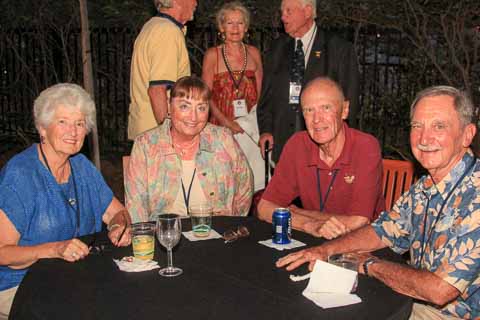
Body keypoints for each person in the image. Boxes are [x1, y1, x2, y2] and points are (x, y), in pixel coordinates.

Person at [277, 86, 480, 319]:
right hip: (416, 301)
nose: (424, 138)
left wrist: (368, 264)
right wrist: (325, 251)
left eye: (439, 126)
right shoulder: (426, 187)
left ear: (467, 134)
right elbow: (381, 230)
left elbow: (438, 291)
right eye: (417, 126)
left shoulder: (475, 197)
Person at [0, 84, 131, 319]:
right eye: (63, 122)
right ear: (42, 127)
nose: (73, 131)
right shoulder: (21, 174)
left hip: (74, 279)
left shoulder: (82, 167)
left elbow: (117, 213)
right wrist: (55, 249)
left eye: (80, 124)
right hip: (22, 287)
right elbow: (2, 252)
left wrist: (118, 226)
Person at [257, 77, 384, 239]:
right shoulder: (297, 145)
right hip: (314, 240)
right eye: (309, 110)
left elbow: (359, 222)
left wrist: (299, 213)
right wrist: (308, 224)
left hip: (362, 244)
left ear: (344, 110)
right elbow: (264, 208)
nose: (317, 119)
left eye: (326, 108)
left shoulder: (365, 147)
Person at [125, 76, 253, 222]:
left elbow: (245, 185)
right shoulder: (146, 145)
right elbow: (136, 206)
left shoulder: (222, 139)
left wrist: (230, 226)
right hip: (164, 236)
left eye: (201, 108)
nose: (193, 117)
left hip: (214, 234)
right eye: (184, 106)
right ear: (169, 106)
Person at [257, 0, 360, 163]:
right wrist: (266, 131)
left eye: (288, 11)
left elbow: (350, 101)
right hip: (283, 146)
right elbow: (267, 98)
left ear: (307, 11)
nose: (283, 17)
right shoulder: (277, 48)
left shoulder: (338, 49)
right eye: (282, 12)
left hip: (323, 148)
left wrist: (340, 145)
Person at [201, 1, 264, 191]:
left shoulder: (253, 53)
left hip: (251, 128)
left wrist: (253, 122)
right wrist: (227, 123)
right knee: (227, 182)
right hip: (222, 127)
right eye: (230, 23)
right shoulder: (213, 55)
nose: (235, 28)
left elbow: (262, 92)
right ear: (221, 27)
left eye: (240, 23)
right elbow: (206, 95)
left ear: (246, 27)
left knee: (254, 179)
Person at [128, 0, 198, 140]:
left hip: (146, 130)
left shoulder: (152, 25)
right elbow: (157, 90)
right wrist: (170, 136)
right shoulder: (168, 32)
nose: (196, 2)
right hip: (157, 135)